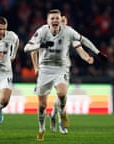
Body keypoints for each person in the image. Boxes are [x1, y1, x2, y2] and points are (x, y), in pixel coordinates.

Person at [24, 9, 97, 141]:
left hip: (61, 69)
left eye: (58, 19)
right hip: (45, 69)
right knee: (42, 106)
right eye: (53, 18)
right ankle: (42, 128)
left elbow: (80, 47)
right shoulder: (42, 32)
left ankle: (61, 115)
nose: (57, 21)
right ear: (48, 21)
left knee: (62, 94)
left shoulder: (68, 32)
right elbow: (29, 49)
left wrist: (88, 57)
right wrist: (36, 65)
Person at [48, 15, 108, 134]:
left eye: (65, 21)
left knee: (61, 97)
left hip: (64, 70)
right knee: (62, 96)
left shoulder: (70, 34)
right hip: (51, 69)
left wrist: (87, 58)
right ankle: (61, 123)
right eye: (61, 21)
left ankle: (52, 115)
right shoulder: (48, 32)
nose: (63, 24)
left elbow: (80, 50)